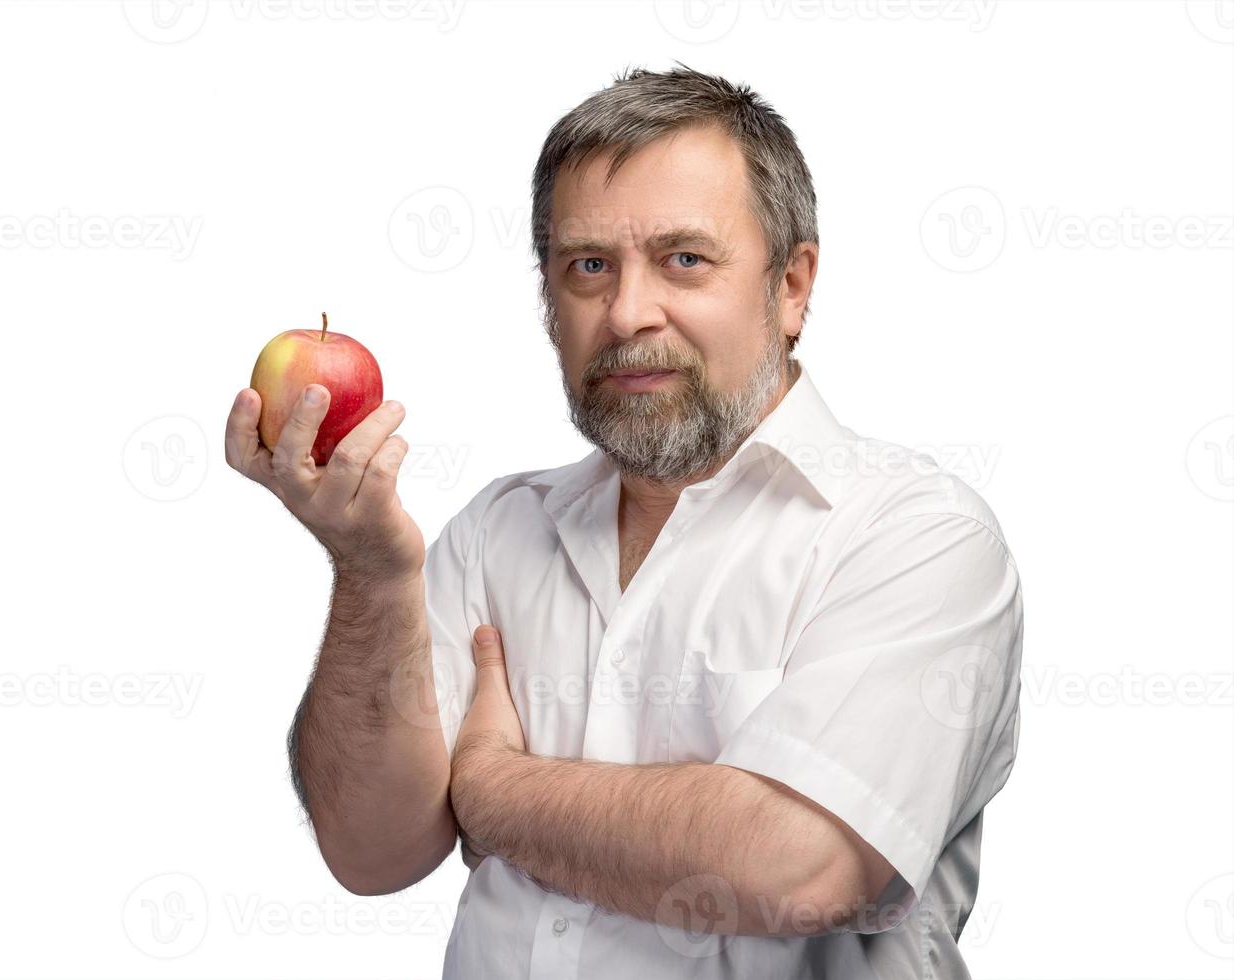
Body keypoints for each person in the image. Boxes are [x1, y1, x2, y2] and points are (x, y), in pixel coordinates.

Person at [225, 63, 1023, 979]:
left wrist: (488, 787)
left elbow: (798, 867)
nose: (627, 312)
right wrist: (370, 571)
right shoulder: (494, 533)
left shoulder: (915, 538)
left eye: (685, 259)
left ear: (792, 285)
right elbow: (369, 852)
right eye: (588, 267)